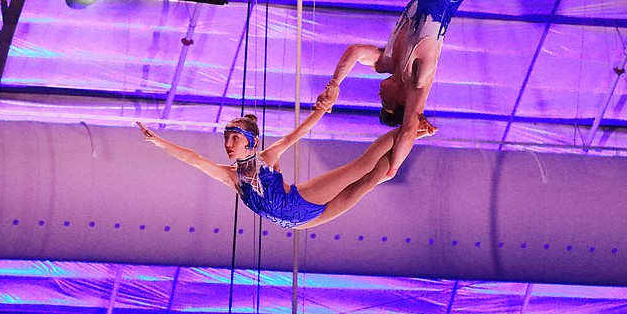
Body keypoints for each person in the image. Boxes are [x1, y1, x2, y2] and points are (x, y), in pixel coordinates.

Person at [317, 0, 575, 179]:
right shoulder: (417, 81)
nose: (378, 94)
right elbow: (409, 128)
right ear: (400, 101)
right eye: (384, 101)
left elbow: (353, 52)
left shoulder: (384, 62)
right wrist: (393, 168)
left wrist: (334, 84)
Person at [136, 98, 435, 229]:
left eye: (234, 138)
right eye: (226, 138)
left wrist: (321, 109)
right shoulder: (231, 177)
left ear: (251, 142)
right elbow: (194, 159)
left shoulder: (266, 158)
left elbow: (298, 133)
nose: (228, 144)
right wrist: (158, 142)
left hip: (300, 200)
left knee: (361, 169)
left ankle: (409, 129)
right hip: (301, 222)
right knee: (369, 183)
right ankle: (413, 138)